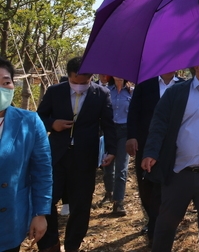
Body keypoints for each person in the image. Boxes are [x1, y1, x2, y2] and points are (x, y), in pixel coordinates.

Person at [141, 64, 199, 252]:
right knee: (165, 225)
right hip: (178, 173)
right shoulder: (176, 93)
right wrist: (151, 152)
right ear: (196, 67)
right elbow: (159, 124)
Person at [36, 56, 117, 252]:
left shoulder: (101, 94)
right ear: (68, 77)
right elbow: (39, 116)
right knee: (48, 200)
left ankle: (72, 245)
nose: (79, 87)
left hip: (84, 157)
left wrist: (112, 150)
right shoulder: (55, 92)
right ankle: (50, 243)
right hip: (56, 155)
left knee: (81, 205)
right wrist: (52, 124)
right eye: (74, 82)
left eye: (84, 83)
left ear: (91, 78)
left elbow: (108, 124)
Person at [0, 57, 52, 252]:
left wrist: (40, 213)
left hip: (9, 218)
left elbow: (42, 171)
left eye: (6, 82)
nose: (2, 89)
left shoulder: (29, 122)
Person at [126, 71, 184, 245]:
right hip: (145, 143)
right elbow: (134, 111)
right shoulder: (145, 84)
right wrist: (131, 136)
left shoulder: (183, 85)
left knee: (166, 187)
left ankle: (158, 229)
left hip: (173, 146)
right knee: (146, 186)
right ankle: (153, 221)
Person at [100, 76, 132, 215]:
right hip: (109, 131)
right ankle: (109, 192)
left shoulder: (132, 92)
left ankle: (118, 202)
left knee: (121, 167)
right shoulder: (106, 91)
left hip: (125, 131)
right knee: (108, 166)